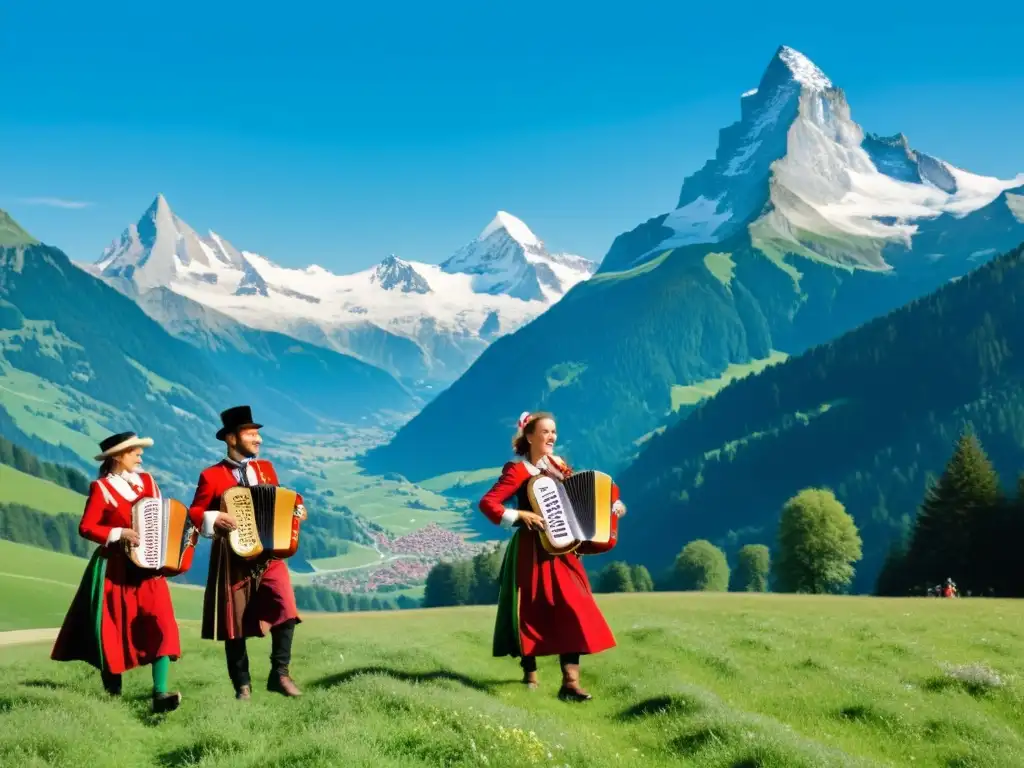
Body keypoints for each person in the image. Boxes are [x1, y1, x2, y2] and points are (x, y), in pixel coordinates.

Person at [478, 410, 627, 702]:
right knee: (531, 610)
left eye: (554, 432)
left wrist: (613, 504)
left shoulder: (558, 466)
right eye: (545, 432)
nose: (551, 437)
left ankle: (570, 684)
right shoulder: (517, 470)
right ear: (529, 436)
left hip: (564, 551)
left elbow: (584, 493)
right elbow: (489, 503)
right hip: (530, 550)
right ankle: (530, 674)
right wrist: (519, 514)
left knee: (574, 607)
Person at [51, 431, 182, 713]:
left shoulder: (147, 481)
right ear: (118, 457)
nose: (140, 455)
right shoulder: (101, 489)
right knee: (112, 629)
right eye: (135, 451)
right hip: (115, 569)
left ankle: (160, 694)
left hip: (149, 567)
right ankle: (112, 697)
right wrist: (118, 532)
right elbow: (86, 527)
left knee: (162, 624)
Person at [188, 405, 305, 700]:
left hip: (269, 555)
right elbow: (196, 511)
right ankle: (243, 686)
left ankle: (280, 674)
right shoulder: (211, 476)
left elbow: (281, 499)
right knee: (235, 623)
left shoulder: (265, 469)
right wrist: (215, 518)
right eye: (251, 433)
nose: (258, 439)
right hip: (233, 557)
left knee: (286, 609)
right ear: (231, 438)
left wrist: (297, 509)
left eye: (257, 433)